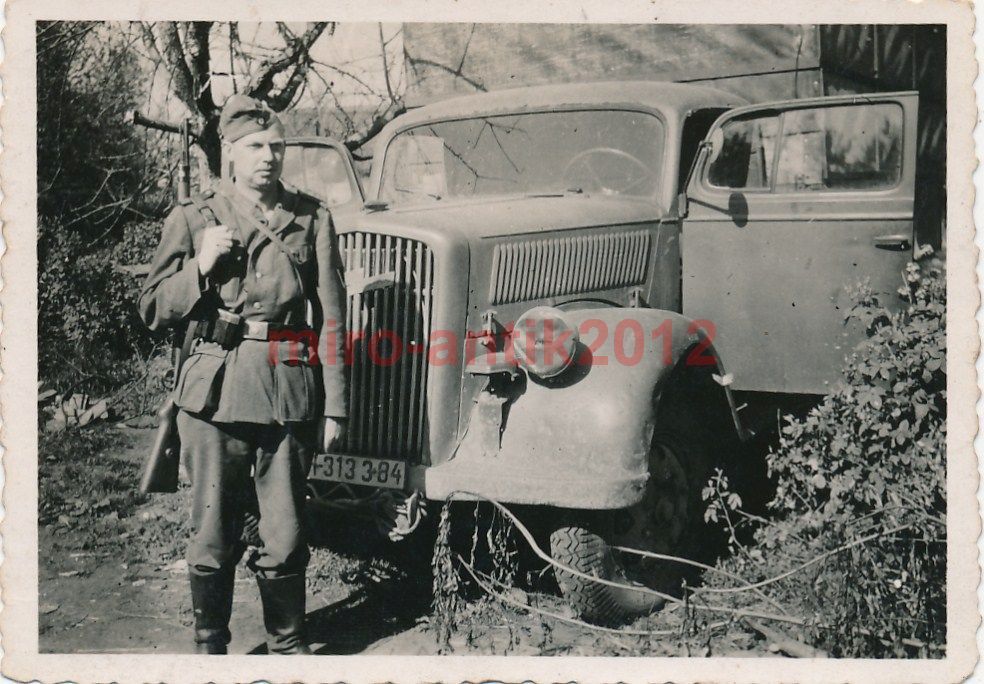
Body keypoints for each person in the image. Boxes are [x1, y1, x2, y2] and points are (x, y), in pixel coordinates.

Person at [138, 94, 348, 655]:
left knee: (287, 533)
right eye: (254, 147)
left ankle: (288, 645)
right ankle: (211, 649)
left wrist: (336, 406)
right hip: (216, 395)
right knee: (212, 533)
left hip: (289, 390)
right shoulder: (194, 218)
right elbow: (152, 307)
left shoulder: (312, 218)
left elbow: (331, 318)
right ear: (229, 154)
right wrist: (199, 266)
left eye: (276, 147)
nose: (268, 157)